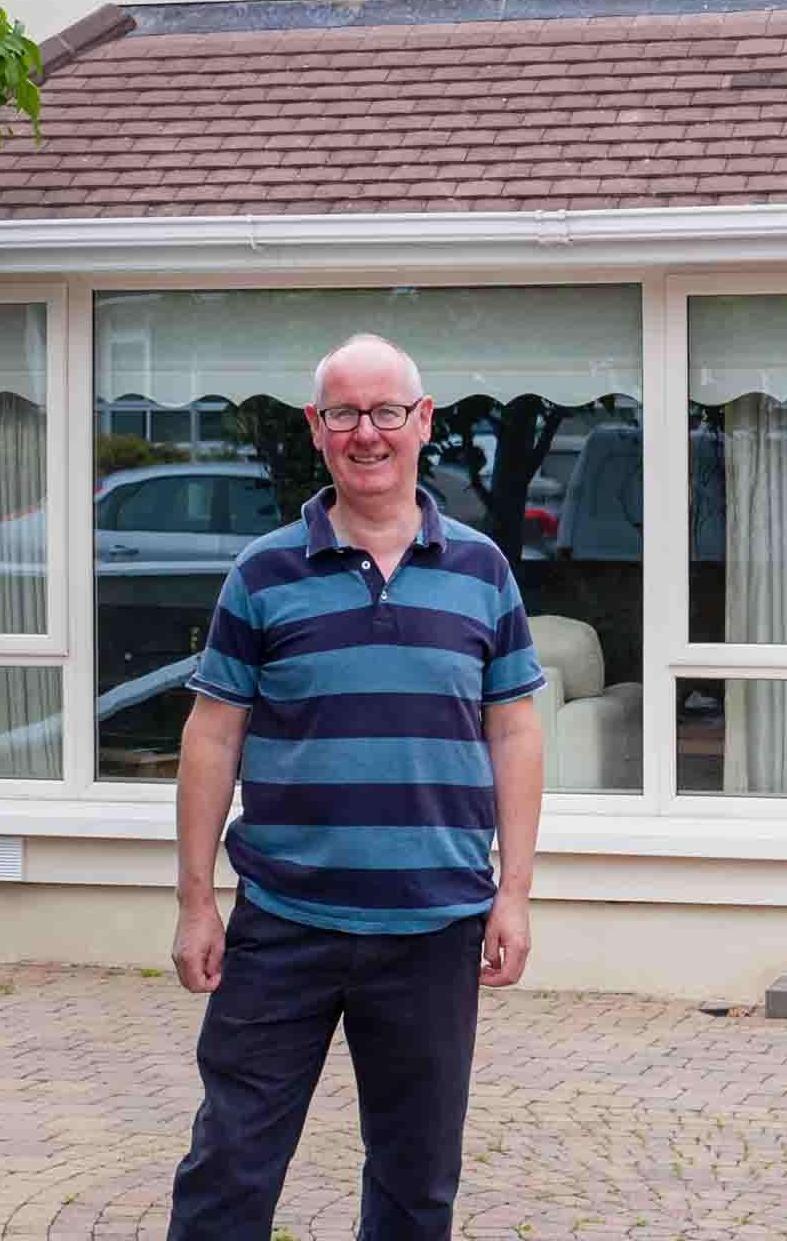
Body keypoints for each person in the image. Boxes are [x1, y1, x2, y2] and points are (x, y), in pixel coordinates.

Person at [166, 332, 547, 1241]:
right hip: (283, 922)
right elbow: (212, 737)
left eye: (385, 412)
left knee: (418, 1189)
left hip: (434, 924)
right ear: (316, 428)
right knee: (229, 1171)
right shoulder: (263, 574)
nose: (365, 433)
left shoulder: (483, 571)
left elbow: (516, 729)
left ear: (422, 423)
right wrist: (194, 902)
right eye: (343, 413)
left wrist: (515, 895)